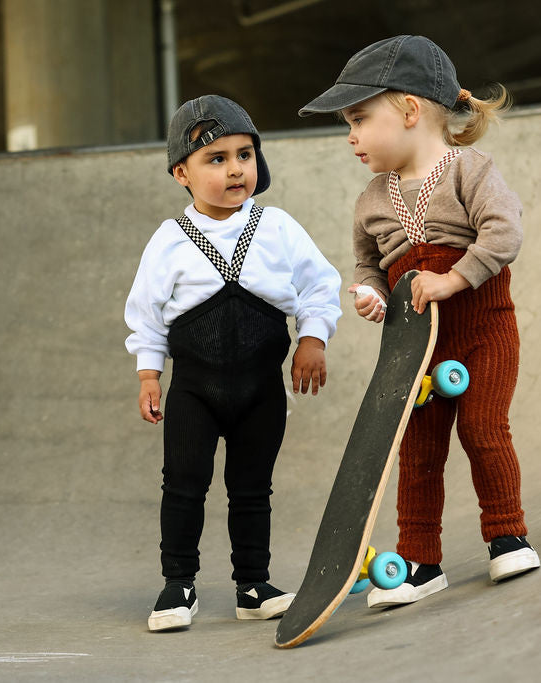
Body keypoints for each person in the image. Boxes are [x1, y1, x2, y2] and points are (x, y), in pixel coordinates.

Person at [299, 34, 540, 608]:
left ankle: (508, 534)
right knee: (417, 452)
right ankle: (419, 562)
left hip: (483, 331)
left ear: (409, 110)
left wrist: (454, 279)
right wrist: (370, 293)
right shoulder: (371, 201)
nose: (350, 136)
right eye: (346, 125)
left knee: (482, 428)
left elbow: (505, 232)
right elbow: (368, 264)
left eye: (359, 119)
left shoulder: (469, 171)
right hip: (416, 352)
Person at [125, 95, 342, 631]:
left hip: (261, 388)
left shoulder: (277, 227)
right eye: (215, 159)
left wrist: (312, 338)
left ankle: (253, 583)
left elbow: (320, 286)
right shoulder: (169, 240)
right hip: (194, 390)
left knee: (252, 488)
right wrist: (149, 374)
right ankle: (178, 585)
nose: (235, 169)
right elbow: (146, 314)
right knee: (184, 482)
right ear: (182, 173)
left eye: (244, 154)